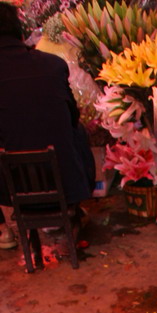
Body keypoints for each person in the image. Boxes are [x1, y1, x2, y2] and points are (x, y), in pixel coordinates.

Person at [0, 1, 96, 249]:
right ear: (19, 30)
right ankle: (73, 206)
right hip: (66, 181)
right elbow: (72, 117)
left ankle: (3, 230)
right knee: (78, 131)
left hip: (12, 188)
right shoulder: (53, 65)